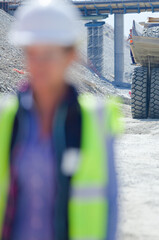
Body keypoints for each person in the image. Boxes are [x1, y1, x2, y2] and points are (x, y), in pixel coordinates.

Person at [0, 0, 122, 239]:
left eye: (49, 54)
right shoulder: (6, 117)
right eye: (32, 53)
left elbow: (111, 204)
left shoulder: (94, 120)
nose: (39, 64)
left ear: (70, 55)